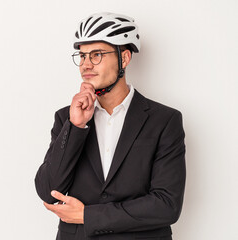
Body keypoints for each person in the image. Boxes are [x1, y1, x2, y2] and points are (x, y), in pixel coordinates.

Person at [35, 12, 186, 240]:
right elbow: (49, 191)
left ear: (124, 58)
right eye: (82, 56)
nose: (86, 64)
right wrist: (76, 127)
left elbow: (166, 205)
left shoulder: (164, 120)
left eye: (96, 55)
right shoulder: (66, 118)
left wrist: (88, 215)